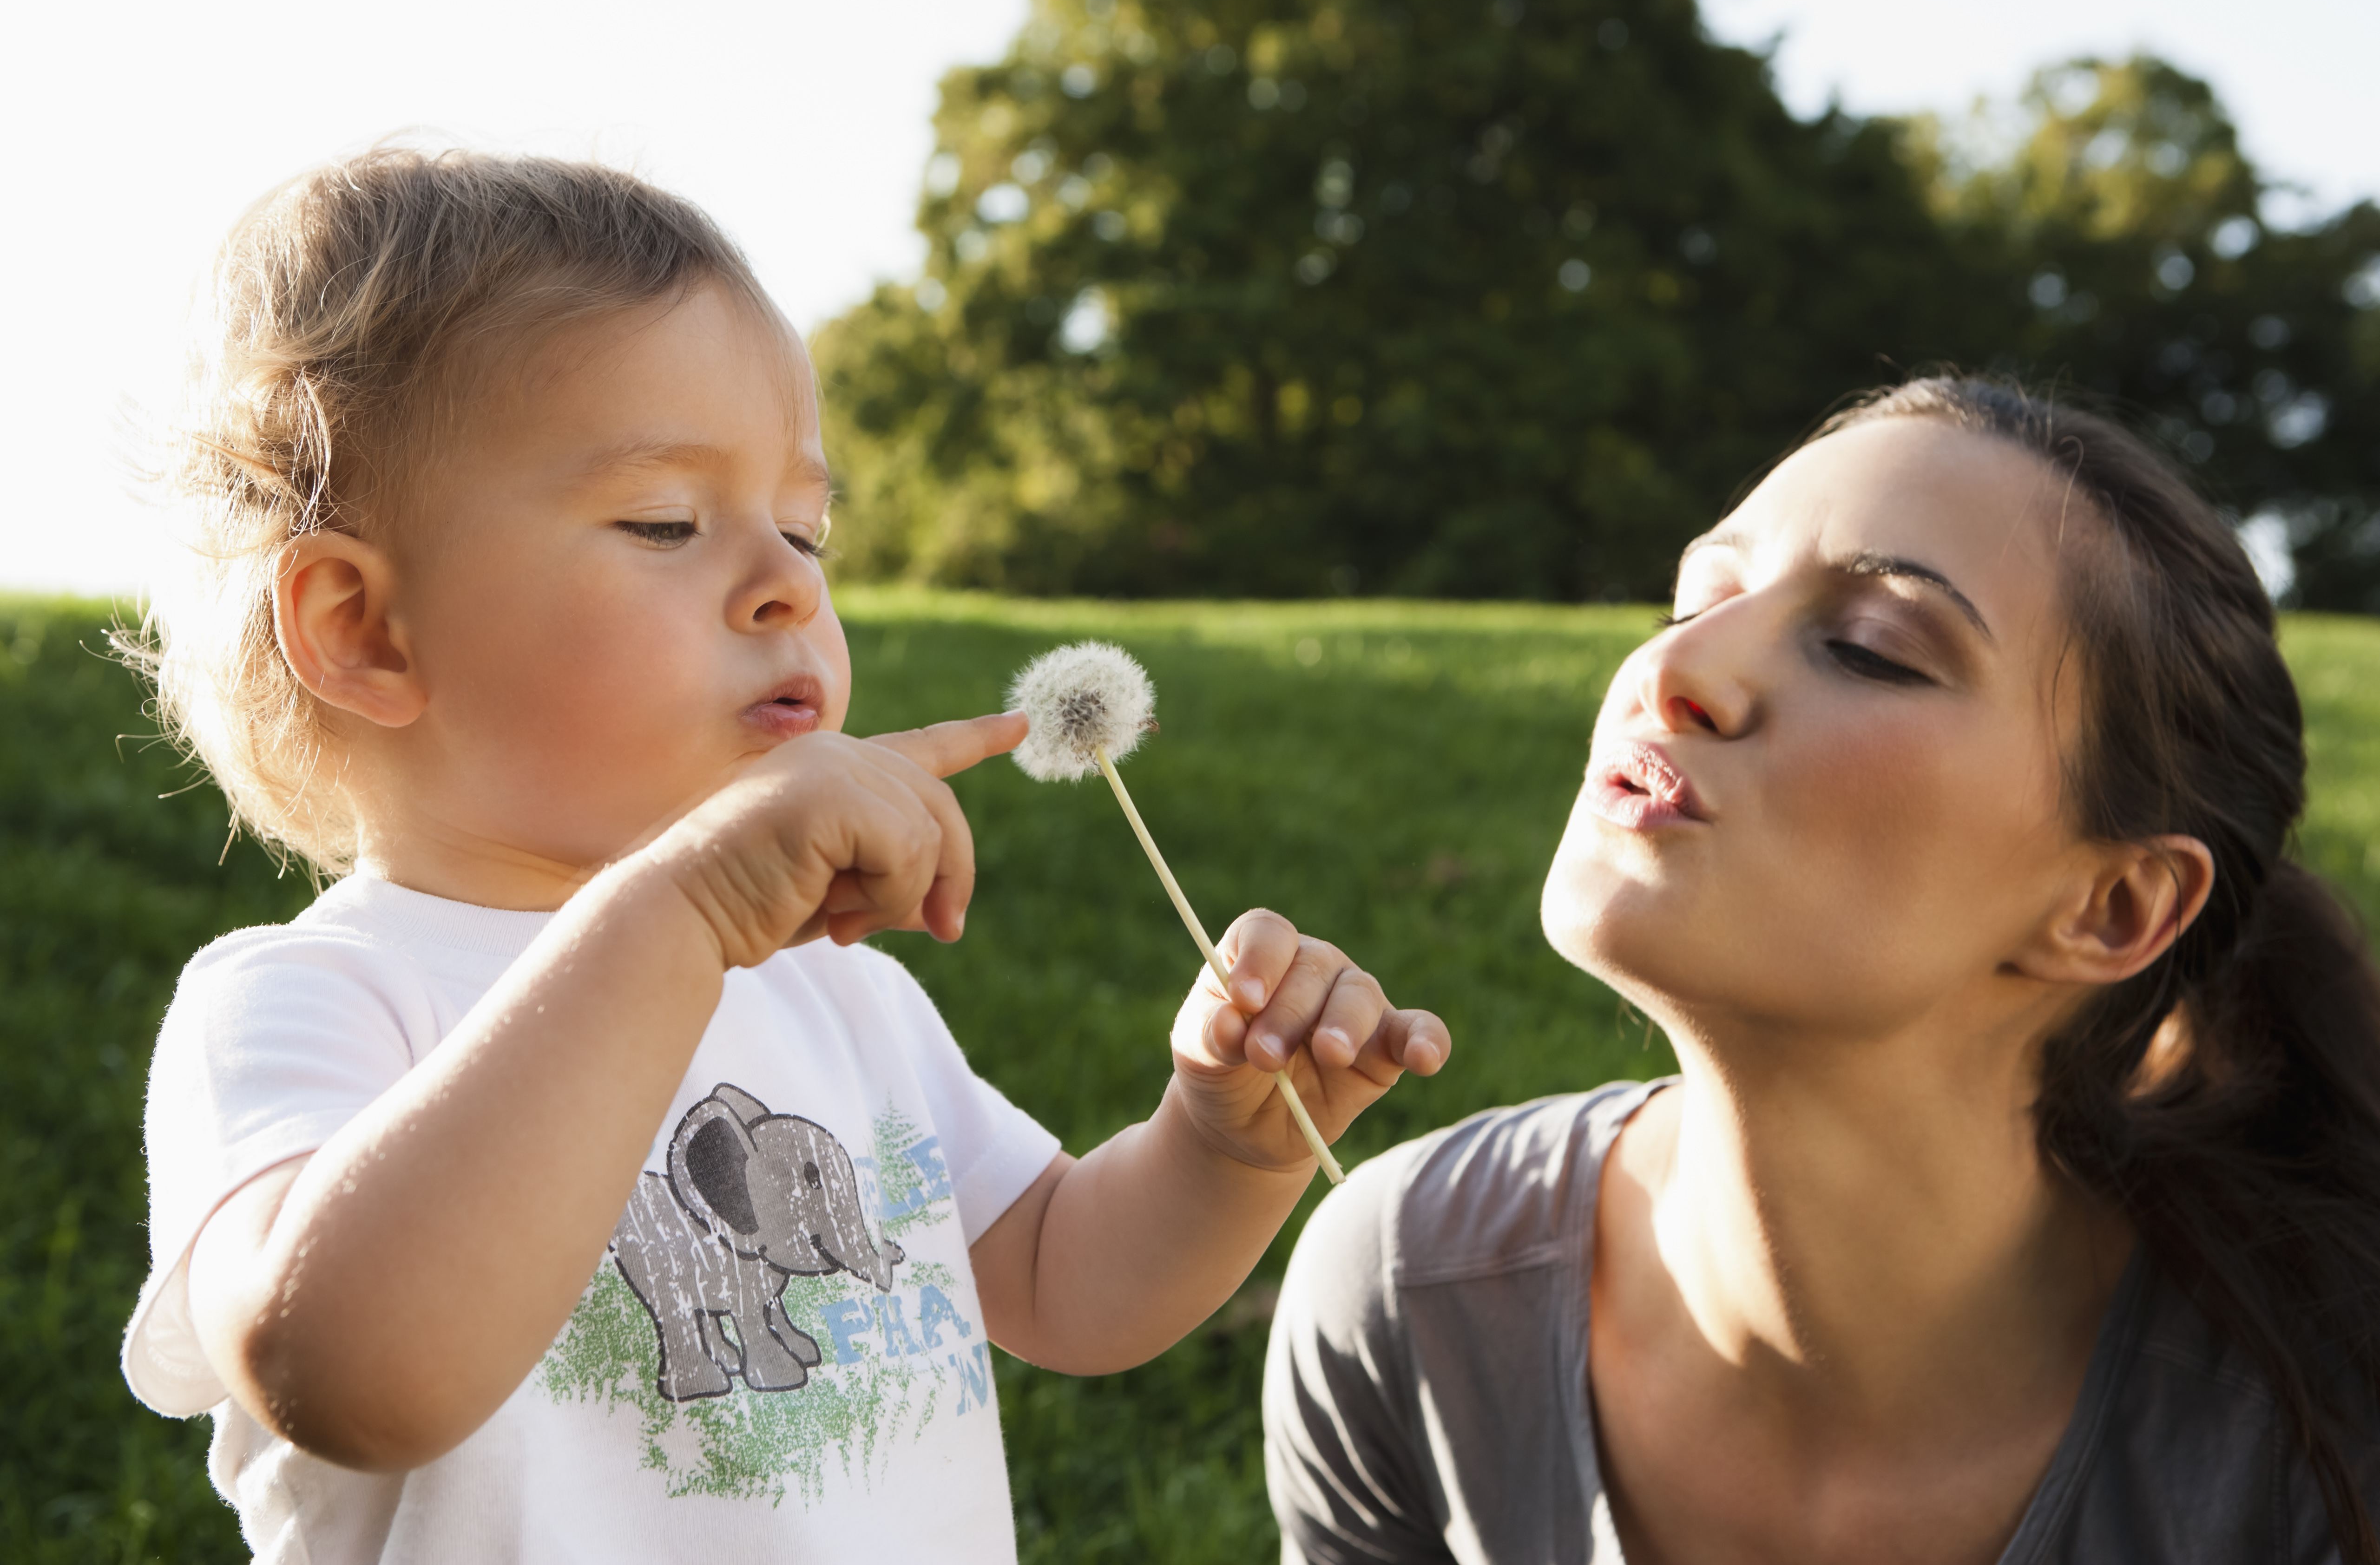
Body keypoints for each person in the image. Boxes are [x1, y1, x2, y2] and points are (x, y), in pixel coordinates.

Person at [116, 147, 1451, 1564]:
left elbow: (1065, 1279)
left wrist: (1213, 1146)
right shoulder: (308, 1003)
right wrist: (677, 914)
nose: (791, 581)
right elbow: (353, 1372)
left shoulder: (837, 997)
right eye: (666, 523)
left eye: (806, 529)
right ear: (363, 629)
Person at [1264, 376, 2380, 1564]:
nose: (1673, 670)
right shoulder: (1412, 1293)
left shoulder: (2308, 1442)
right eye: (1696, 596)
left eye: (1869, 649)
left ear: (2111, 908)